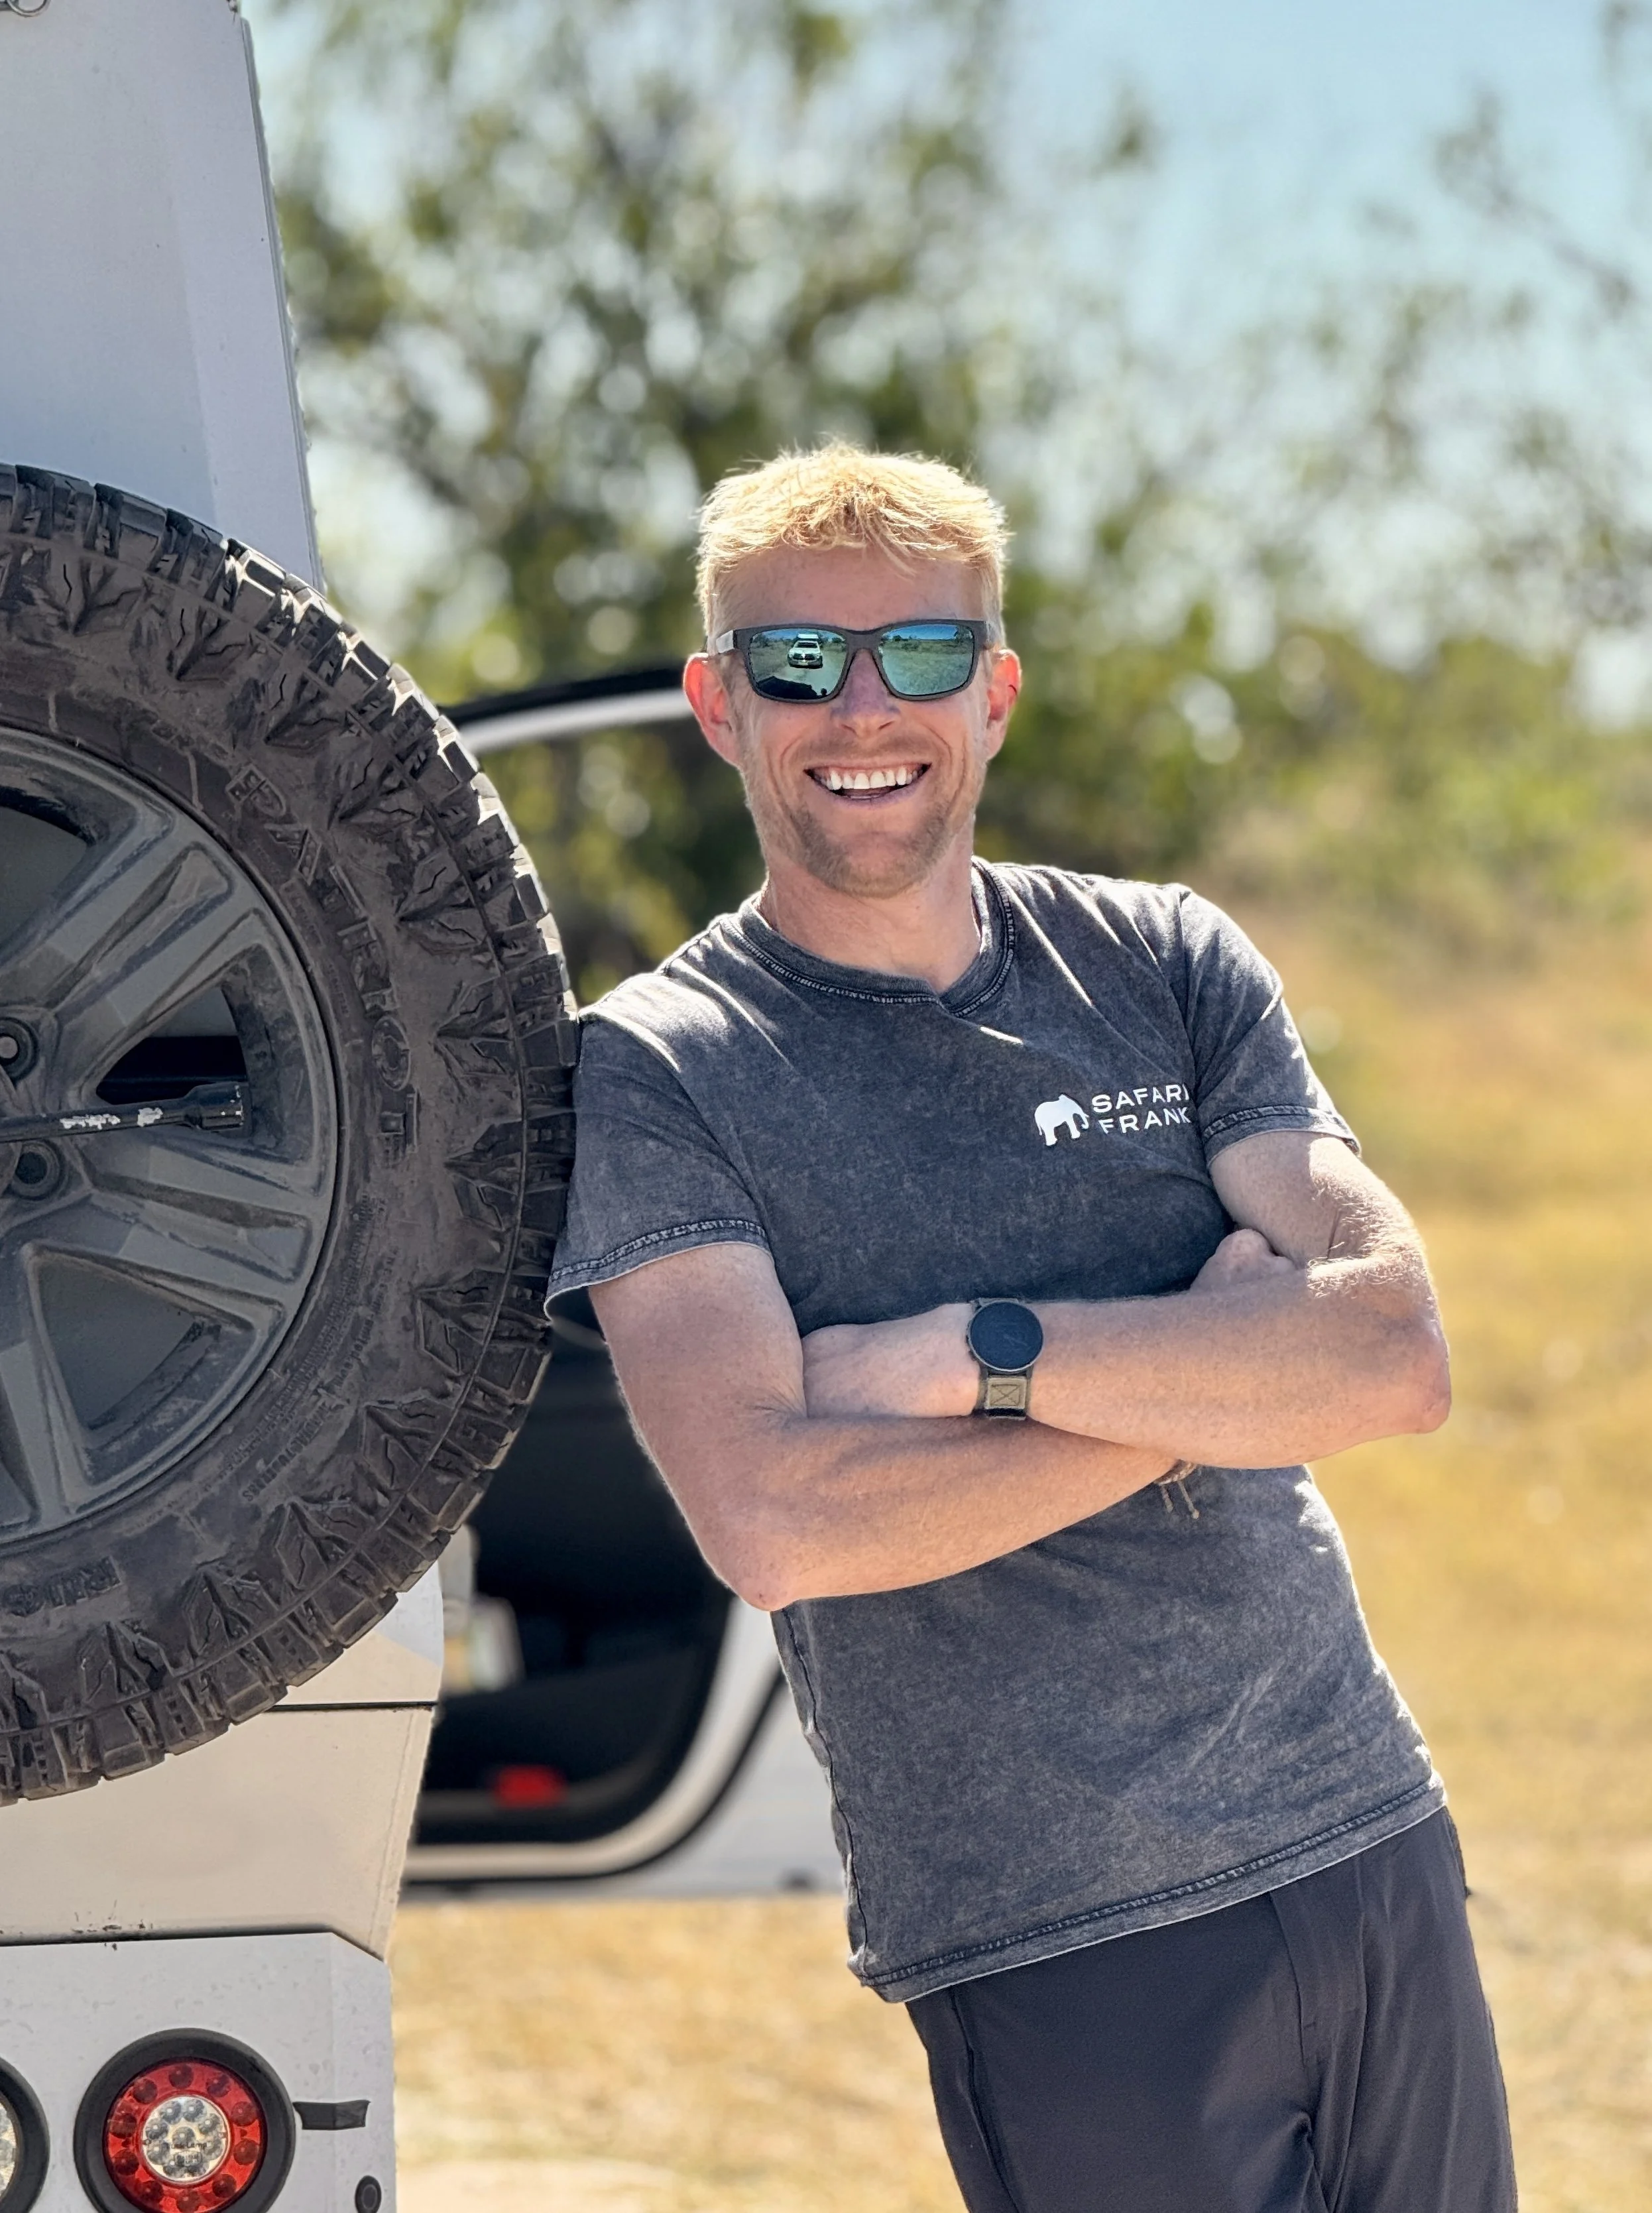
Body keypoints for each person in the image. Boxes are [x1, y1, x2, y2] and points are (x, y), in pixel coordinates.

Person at [544, 442, 1515, 2212]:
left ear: (991, 695)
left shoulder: (1162, 961)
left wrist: (976, 1356)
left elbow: (1391, 1353)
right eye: (797, 661)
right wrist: (1207, 1376)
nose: (863, 708)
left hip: (1365, 1829)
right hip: (1057, 1927)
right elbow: (775, 1519)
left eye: (920, 653)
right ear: (718, 703)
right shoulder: (660, 1069)